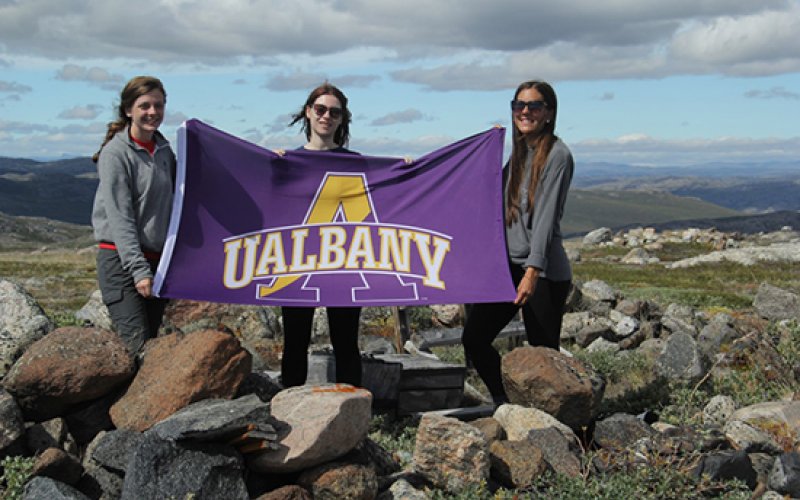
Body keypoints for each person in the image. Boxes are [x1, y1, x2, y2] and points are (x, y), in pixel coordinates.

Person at [461, 80, 574, 404]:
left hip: (543, 274)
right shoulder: (519, 153)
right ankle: (508, 403)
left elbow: (545, 219)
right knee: (475, 339)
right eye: (519, 105)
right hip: (507, 268)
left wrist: (532, 272)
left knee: (544, 361)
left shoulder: (558, 155)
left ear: (549, 113)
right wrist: (486, 148)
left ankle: (562, 428)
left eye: (534, 106)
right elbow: (489, 196)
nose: (525, 111)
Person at [279, 82, 363, 388]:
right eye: (321, 109)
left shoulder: (355, 163)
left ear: (342, 119)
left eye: (334, 112)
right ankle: (288, 417)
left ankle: (352, 418)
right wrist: (269, 165)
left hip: (342, 263)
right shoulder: (288, 161)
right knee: (294, 343)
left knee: (347, 344)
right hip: (298, 262)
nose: (326, 116)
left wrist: (406, 169)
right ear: (308, 112)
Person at [91, 76, 176, 357]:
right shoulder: (116, 154)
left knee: (149, 345)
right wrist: (139, 270)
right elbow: (120, 218)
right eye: (145, 106)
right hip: (121, 264)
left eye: (159, 105)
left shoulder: (165, 152)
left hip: (155, 263)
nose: (153, 112)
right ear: (129, 110)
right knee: (137, 348)